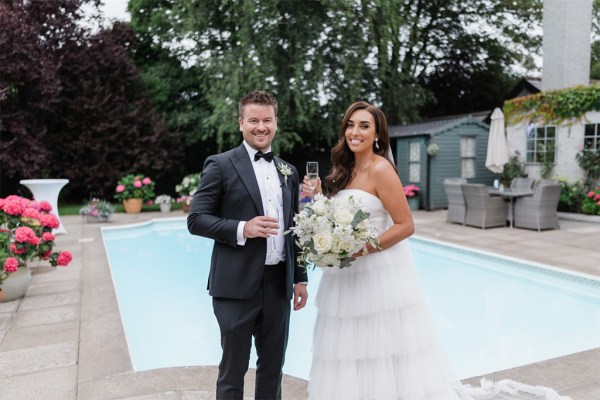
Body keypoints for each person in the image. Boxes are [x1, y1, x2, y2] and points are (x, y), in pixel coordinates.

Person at [302, 101, 570, 400]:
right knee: (347, 345)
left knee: (380, 346)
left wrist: (363, 250)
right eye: (350, 125)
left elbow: (405, 225)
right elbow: (339, 218)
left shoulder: (381, 169)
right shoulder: (344, 169)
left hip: (374, 271)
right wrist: (318, 199)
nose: (355, 132)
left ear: (377, 134)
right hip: (345, 275)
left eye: (364, 126)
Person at [188, 90, 308, 400]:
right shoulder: (220, 164)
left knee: (273, 369)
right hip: (235, 286)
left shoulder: (288, 172)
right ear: (241, 123)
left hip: (278, 284)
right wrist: (244, 228)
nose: (261, 127)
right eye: (253, 120)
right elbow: (196, 219)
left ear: (276, 123)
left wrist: (300, 277)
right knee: (233, 370)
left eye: (267, 120)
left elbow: (295, 227)